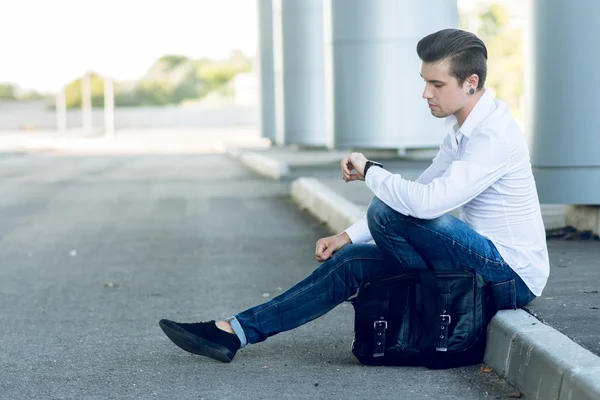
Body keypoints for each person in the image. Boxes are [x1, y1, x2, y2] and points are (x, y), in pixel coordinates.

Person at [159, 28, 549, 363]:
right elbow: (420, 192)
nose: (425, 93)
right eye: (425, 81)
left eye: (437, 84)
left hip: (510, 275)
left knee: (387, 210)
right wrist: (346, 236)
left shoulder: (494, 135)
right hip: (478, 263)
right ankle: (234, 332)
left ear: (471, 83)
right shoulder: (459, 129)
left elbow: (428, 204)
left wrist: (370, 171)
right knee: (350, 262)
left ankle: (410, 295)